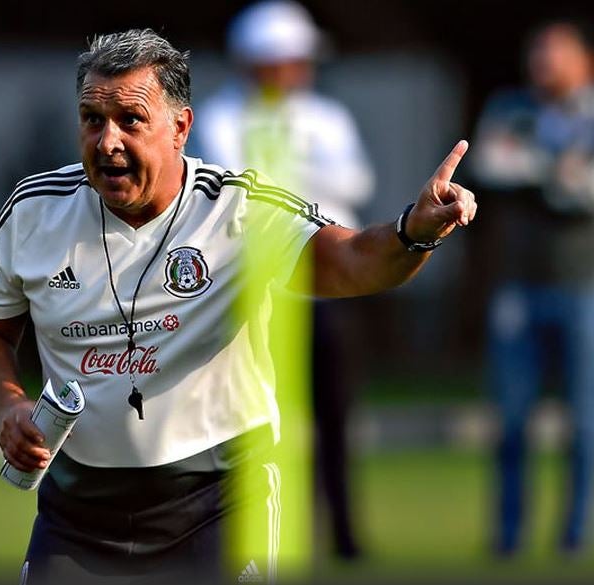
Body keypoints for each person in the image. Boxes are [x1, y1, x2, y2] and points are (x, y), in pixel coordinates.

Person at [0, 28, 476, 584]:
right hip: (77, 514)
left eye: (130, 120)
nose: (107, 140)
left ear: (180, 127)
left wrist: (413, 231)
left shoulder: (237, 209)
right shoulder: (34, 211)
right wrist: (9, 405)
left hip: (217, 506)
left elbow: (356, 261)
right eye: (91, 119)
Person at [191, 0, 375, 560]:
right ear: (255, 63)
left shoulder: (326, 116)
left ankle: (342, 537)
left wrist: (280, 167)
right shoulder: (222, 116)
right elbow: (232, 186)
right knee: (252, 415)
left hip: (325, 285)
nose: (297, 70)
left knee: (336, 416)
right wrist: (295, 174)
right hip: (254, 285)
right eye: (284, 59)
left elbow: (356, 181)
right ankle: (255, 534)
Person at [469, 18, 594, 557]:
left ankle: (575, 540)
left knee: (586, 418)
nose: (541, 63)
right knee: (512, 417)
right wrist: (555, 168)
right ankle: (508, 536)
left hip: (587, 285)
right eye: (537, 52)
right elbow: (487, 166)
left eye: (555, 53)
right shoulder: (510, 109)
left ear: (589, 63)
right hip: (518, 287)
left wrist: (533, 169)